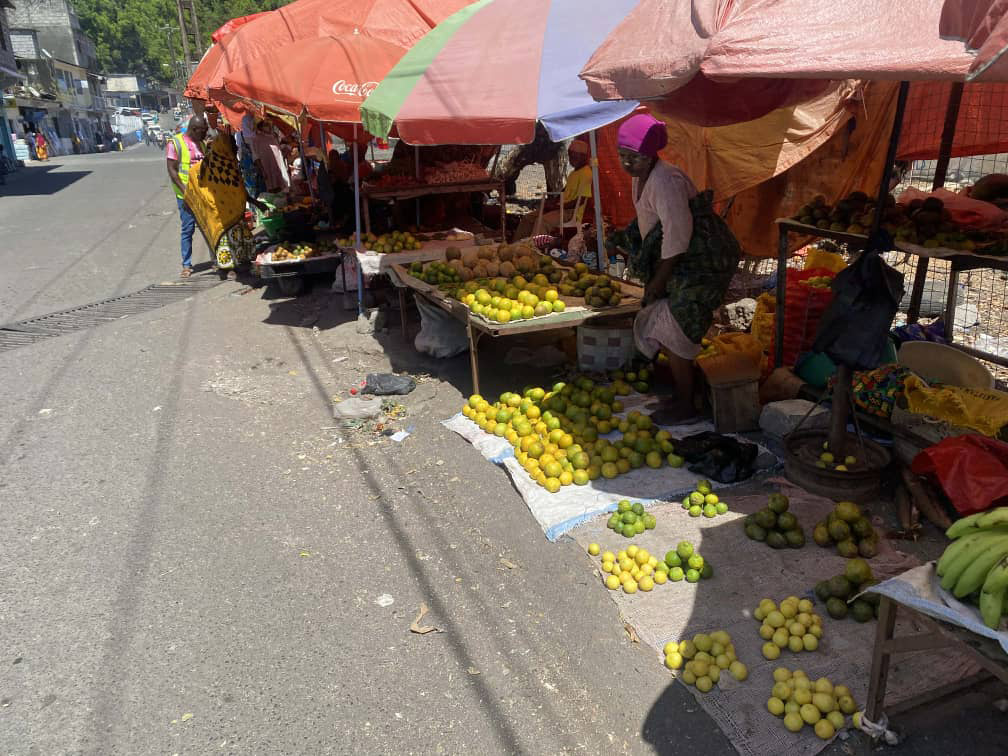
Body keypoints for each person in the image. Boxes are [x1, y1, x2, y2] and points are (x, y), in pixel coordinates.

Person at [606, 114, 741, 422]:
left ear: (651, 153)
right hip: (681, 261)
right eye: (623, 156)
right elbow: (649, 223)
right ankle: (683, 395)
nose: (628, 164)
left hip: (702, 264)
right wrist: (621, 240)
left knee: (677, 325)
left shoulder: (666, 181)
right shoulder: (642, 177)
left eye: (634, 158)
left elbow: (677, 233)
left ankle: (687, 405)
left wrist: (658, 280)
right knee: (662, 322)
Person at [515, 140, 594, 240]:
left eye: (575, 156)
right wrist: (551, 202)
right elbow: (564, 191)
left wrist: (557, 207)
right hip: (560, 208)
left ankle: (534, 248)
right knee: (528, 218)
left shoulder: (586, 173)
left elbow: (581, 201)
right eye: (570, 156)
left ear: (583, 157)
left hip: (571, 212)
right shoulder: (574, 173)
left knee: (543, 221)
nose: (571, 159)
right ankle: (517, 247)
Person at [166, 115, 208, 277]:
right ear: (194, 129)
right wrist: (185, 192)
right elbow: (172, 170)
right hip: (185, 194)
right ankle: (186, 264)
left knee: (208, 227)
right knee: (188, 228)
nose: (204, 135)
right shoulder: (175, 143)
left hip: (202, 192)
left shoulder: (201, 144)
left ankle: (218, 260)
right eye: (202, 131)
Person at [252, 120, 289, 193]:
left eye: (269, 125)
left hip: (279, 167)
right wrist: (262, 170)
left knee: (281, 187)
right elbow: (256, 156)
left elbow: (278, 151)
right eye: (266, 125)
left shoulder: (273, 136)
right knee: (272, 188)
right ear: (261, 127)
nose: (269, 127)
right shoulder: (256, 139)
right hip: (267, 168)